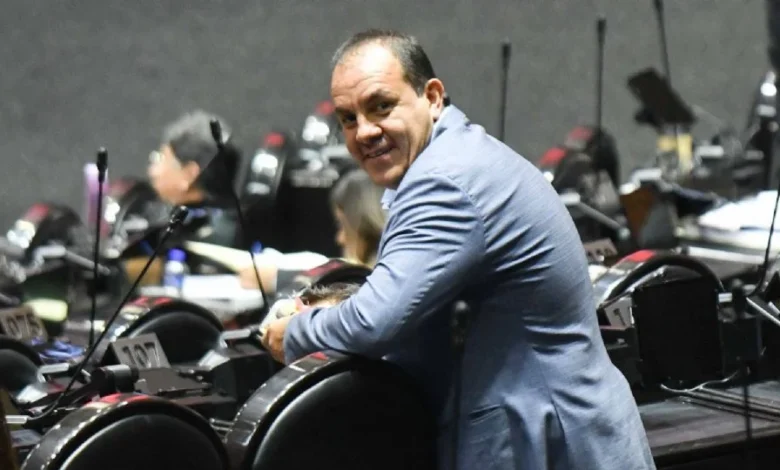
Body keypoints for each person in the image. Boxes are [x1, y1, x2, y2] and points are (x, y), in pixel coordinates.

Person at [261, 29, 655, 469]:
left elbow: (375, 323)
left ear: (431, 97)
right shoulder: (456, 156)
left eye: (381, 106)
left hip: (546, 443)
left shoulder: (443, 182)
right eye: (348, 119)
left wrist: (293, 334)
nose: (364, 131)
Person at [238, 168, 385, 295]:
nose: (340, 239)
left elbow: (253, 277)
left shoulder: (361, 284)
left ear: (367, 227)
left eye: (343, 226)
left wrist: (278, 278)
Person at [147, 110, 242, 247]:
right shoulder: (234, 225)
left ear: (189, 174)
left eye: (160, 159)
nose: (153, 171)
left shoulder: (180, 240)